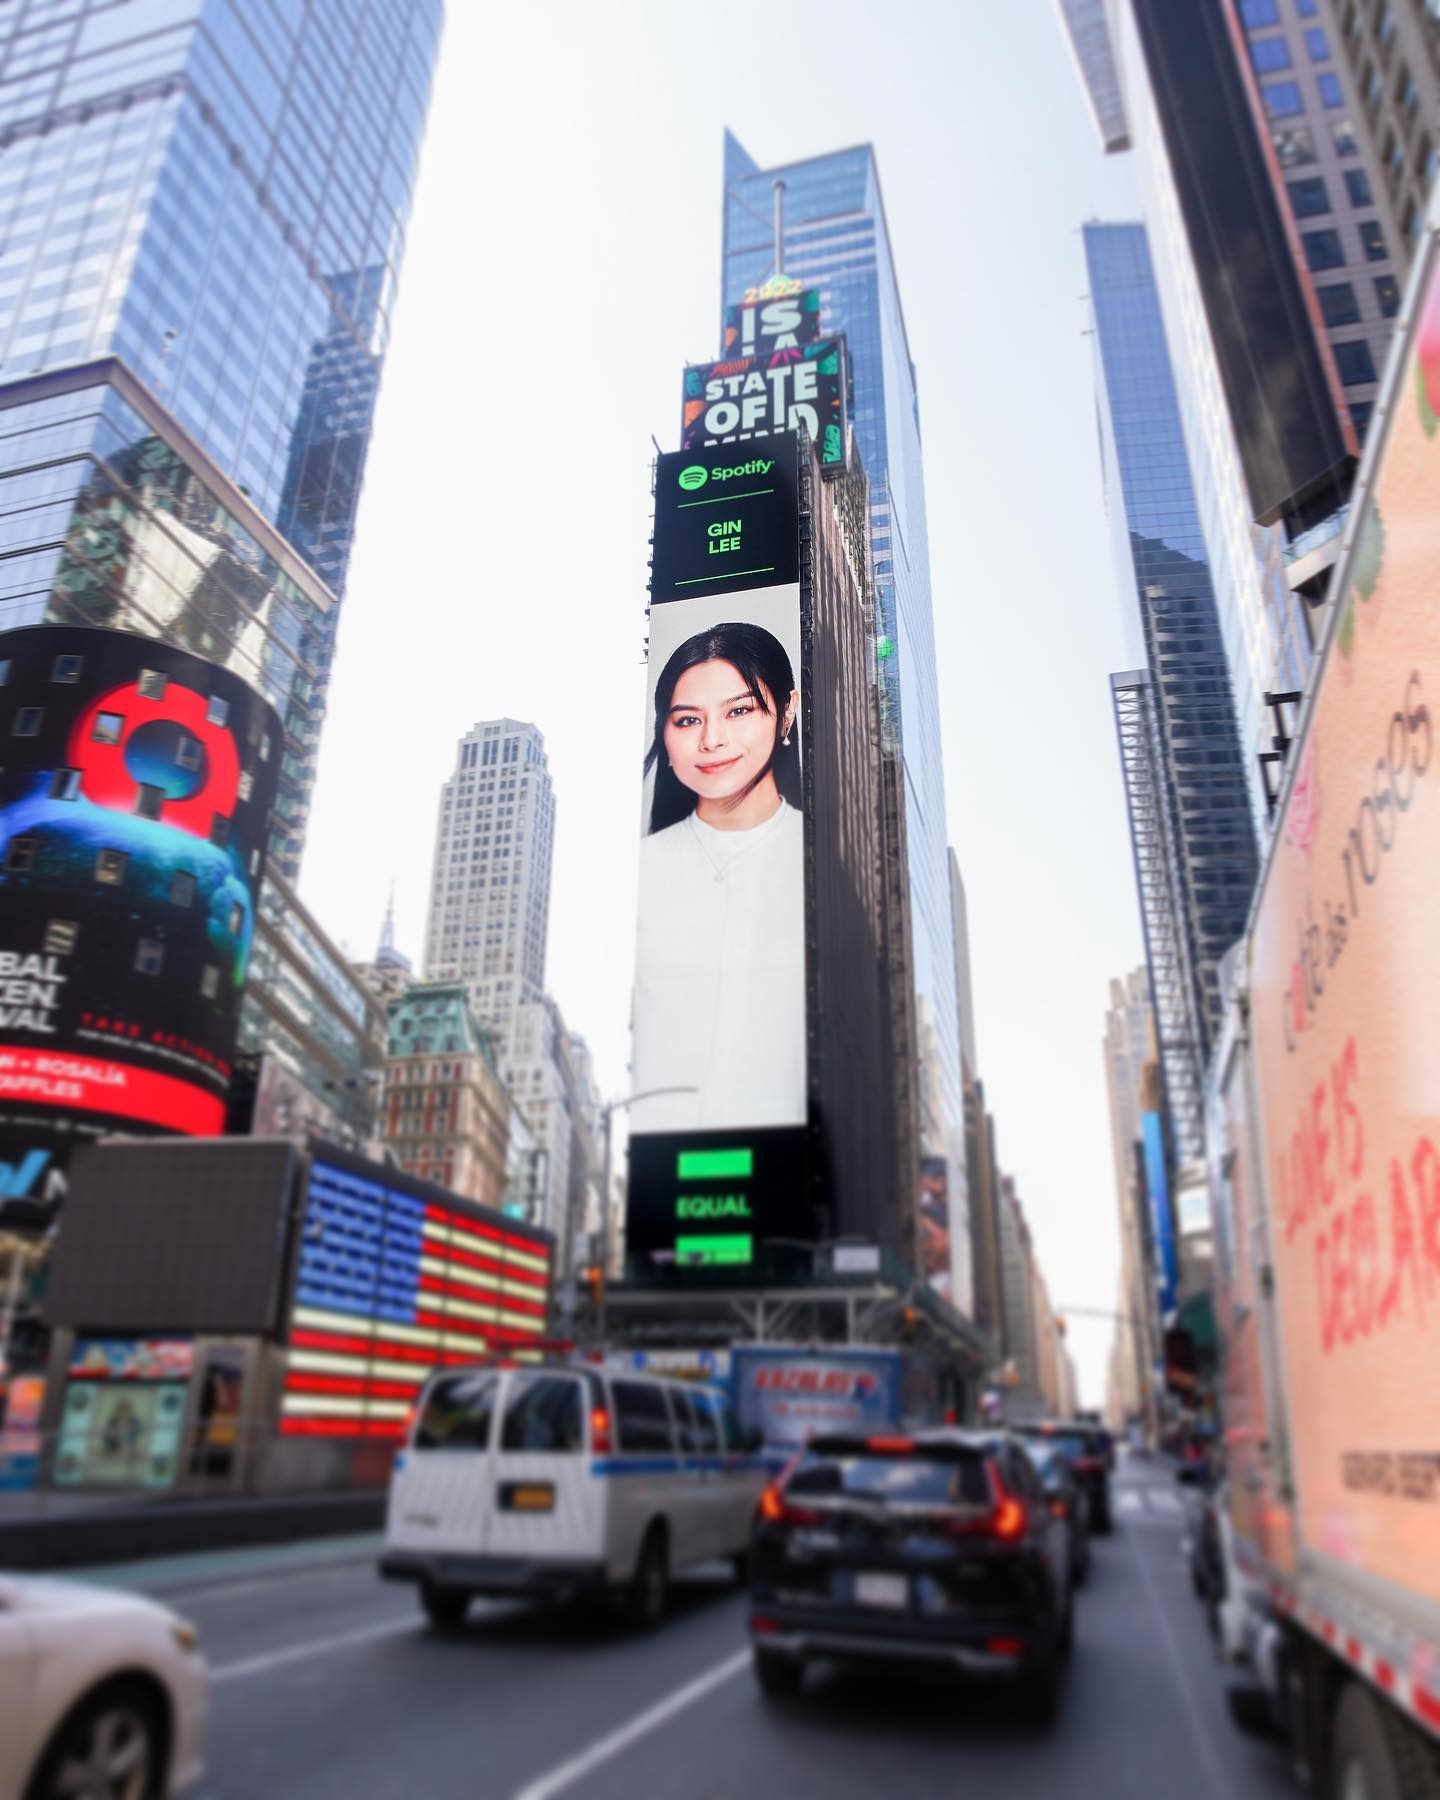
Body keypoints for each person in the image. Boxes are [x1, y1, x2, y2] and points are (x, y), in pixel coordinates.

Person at [632, 621, 804, 1132]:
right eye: (687, 720)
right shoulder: (650, 869)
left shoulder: (819, 854)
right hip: (671, 1160)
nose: (712, 740)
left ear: (787, 711)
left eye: (739, 710)